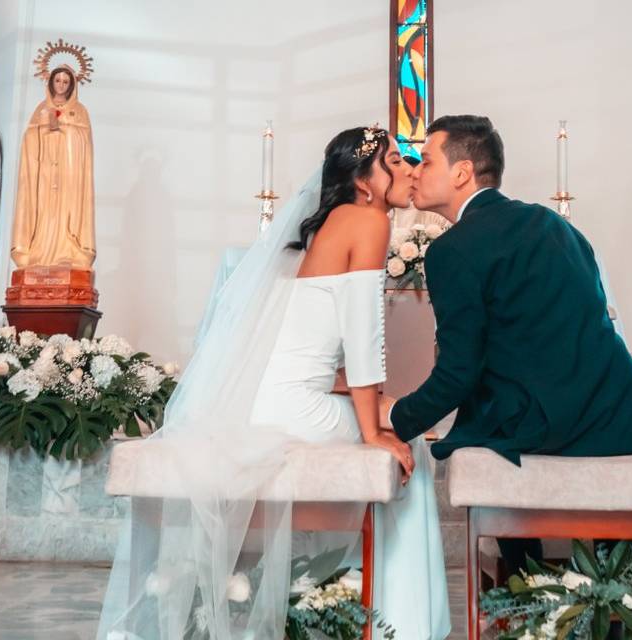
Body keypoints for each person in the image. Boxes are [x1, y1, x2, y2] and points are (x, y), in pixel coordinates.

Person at [98, 126, 449, 640]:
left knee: (394, 413)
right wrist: (375, 432)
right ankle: (405, 622)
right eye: (394, 160)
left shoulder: (333, 224)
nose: (407, 168)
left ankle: (344, 591)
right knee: (409, 433)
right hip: (296, 411)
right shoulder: (368, 221)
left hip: (269, 400)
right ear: (364, 181)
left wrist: (371, 409)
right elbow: (363, 341)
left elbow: (313, 351)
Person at [381, 115, 632, 576]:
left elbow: (459, 373)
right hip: (625, 414)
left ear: (462, 172)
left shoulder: (452, 250)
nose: (415, 170)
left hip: (553, 427)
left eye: (426, 160)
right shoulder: (557, 225)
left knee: (490, 421)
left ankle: (525, 581)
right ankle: (609, 589)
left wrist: (396, 417)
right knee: (499, 402)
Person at [11, 66, 96, 270]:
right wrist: (43, 130)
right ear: (50, 83)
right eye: (57, 81)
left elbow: (84, 141)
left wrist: (63, 128)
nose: (61, 85)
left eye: (65, 82)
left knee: (66, 210)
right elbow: (29, 139)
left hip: (68, 175)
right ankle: (39, 251)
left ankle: (68, 250)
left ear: (72, 85)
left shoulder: (80, 111)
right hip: (46, 175)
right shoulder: (41, 109)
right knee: (43, 212)